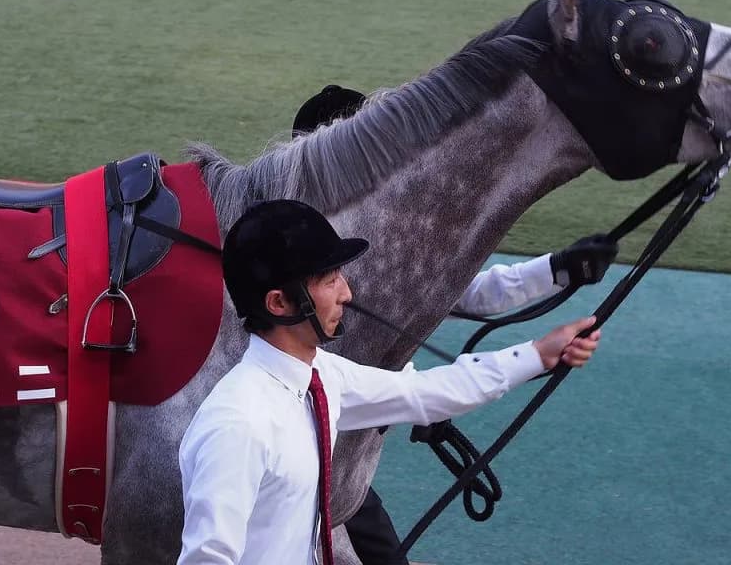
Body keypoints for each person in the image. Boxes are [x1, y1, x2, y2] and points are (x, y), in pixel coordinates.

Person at [292, 84, 618, 565]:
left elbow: (453, 294)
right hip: (322, 463)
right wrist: (537, 353)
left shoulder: (344, 236)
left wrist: (558, 269)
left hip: (343, 456)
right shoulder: (319, 254)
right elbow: (416, 391)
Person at [177, 199, 603, 565]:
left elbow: (427, 394)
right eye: (329, 280)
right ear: (280, 303)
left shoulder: (322, 375)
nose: (346, 293)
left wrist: (538, 354)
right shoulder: (238, 425)